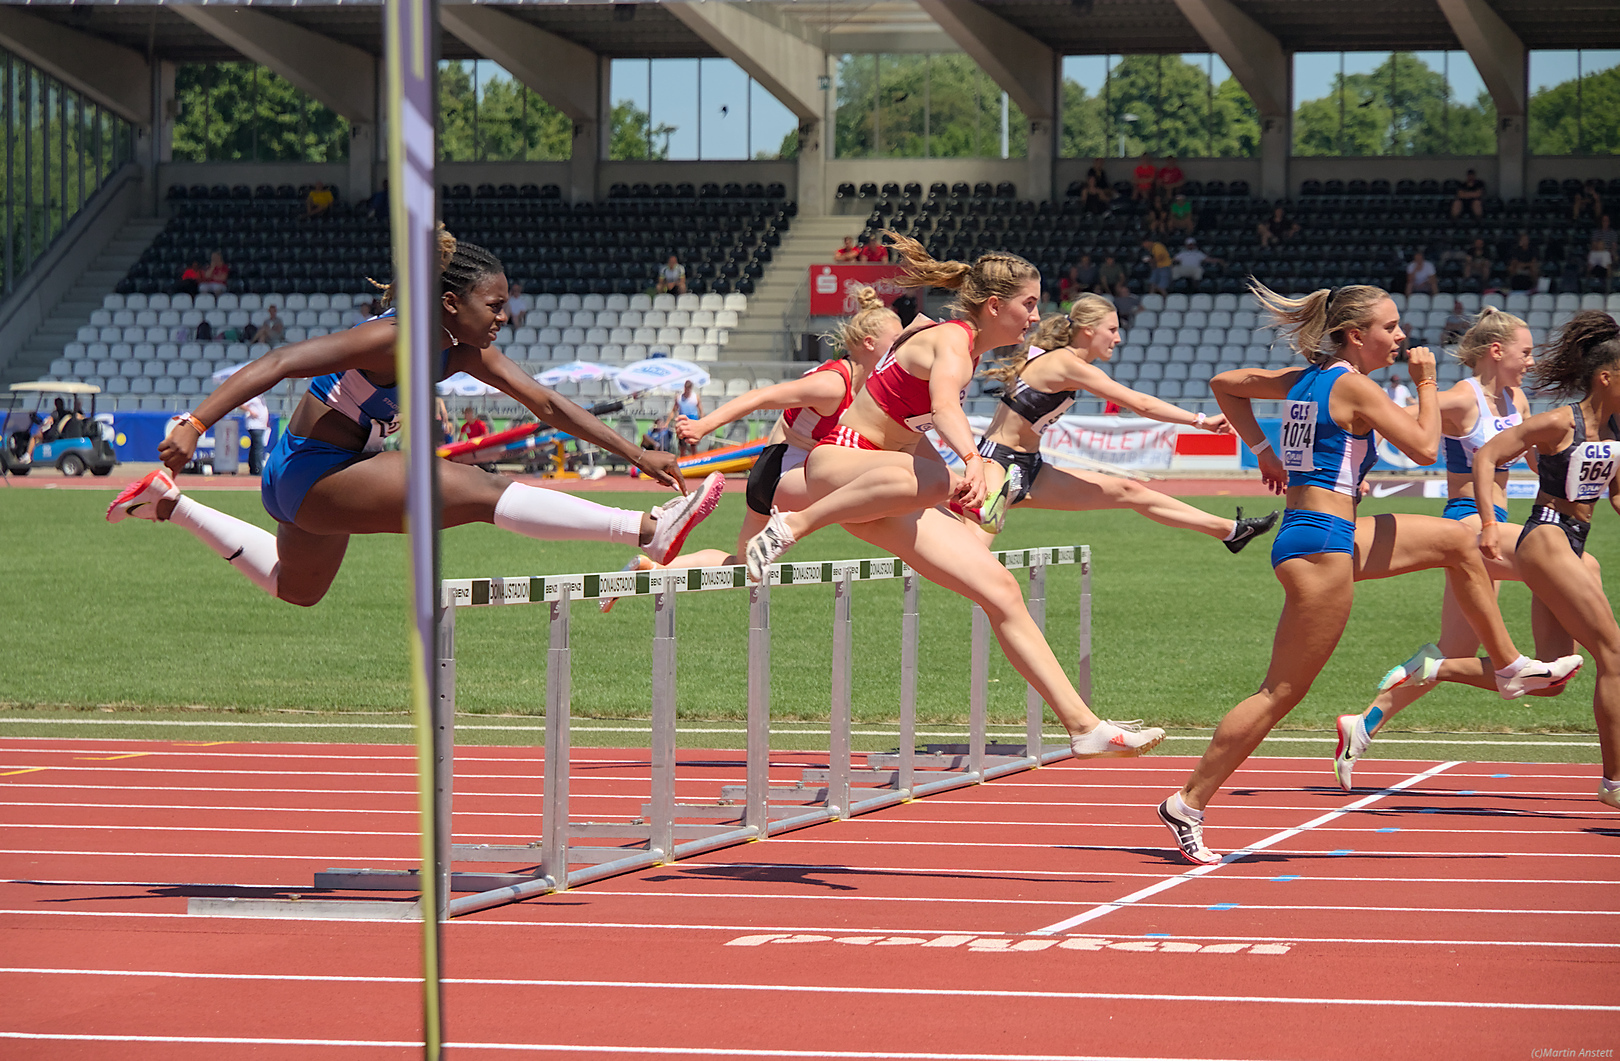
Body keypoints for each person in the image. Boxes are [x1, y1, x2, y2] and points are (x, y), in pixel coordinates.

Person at [1156, 282, 1582, 865]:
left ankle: (1508, 667)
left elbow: (1225, 386)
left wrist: (1263, 450)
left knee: (1459, 543)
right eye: (1391, 326)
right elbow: (1426, 447)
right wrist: (1427, 382)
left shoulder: (1304, 379)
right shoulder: (1352, 386)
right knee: (1280, 692)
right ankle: (1189, 802)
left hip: (1324, 531)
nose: (1402, 336)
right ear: (1357, 336)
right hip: (1323, 546)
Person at [106, 226, 725, 608]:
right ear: (451, 301)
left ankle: (171, 505)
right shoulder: (393, 340)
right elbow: (281, 360)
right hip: (312, 472)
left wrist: (640, 456)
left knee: (297, 589)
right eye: (495, 304)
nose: (504, 316)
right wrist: (194, 423)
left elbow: (549, 405)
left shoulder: (460, 350)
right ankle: (646, 530)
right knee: (479, 489)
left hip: (325, 476)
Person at [742, 232, 1167, 761]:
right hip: (839, 465)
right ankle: (796, 525)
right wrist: (972, 461)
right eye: (1028, 304)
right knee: (942, 476)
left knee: (1001, 590)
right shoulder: (952, 342)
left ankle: (1084, 726)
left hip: (884, 488)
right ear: (995, 306)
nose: (1036, 318)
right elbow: (943, 407)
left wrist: (951, 491)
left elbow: (911, 429)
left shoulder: (958, 345)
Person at [1333, 307, 1597, 790]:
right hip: (1470, 526)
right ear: (1497, 352)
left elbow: (1540, 462)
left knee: (1515, 668)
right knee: (1579, 564)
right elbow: (1379, 420)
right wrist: (1353, 478)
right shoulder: (1460, 398)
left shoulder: (1516, 397)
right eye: (1526, 352)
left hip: (1498, 526)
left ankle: (1364, 722)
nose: (1532, 362)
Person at [972, 297, 1276, 554]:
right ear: (1089, 330)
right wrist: (1200, 421)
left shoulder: (1068, 363)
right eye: (1112, 330)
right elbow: (1140, 404)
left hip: (1030, 468)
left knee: (1130, 490)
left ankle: (1231, 532)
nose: (1118, 339)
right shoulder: (1067, 364)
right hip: (997, 462)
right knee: (971, 556)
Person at [647, 287, 903, 585]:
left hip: (778, 476)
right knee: (873, 487)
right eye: (897, 342)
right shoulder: (833, 384)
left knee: (742, 566)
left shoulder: (870, 386)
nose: (903, 350)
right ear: (870, 343)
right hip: (783, 469)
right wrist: (704, 425)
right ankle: (792, 524)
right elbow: (761, 396)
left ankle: (655, 570)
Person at [1472, 311, 1620, 810]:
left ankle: (1433, 668)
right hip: (1546, 536)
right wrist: (1491, 524)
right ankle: (1615, 783)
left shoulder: (1616, 430)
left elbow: (1617, 497)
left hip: (1575, 542)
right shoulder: (1561, 421)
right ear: (1606, 377)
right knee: (1614, 655)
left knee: (1555, 676)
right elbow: (1487, 454)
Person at [671, 381, 704, 457]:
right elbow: (674, 410)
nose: (687, 390)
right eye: (686, 388)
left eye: (688, 389)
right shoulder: (679, 398)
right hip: (683, 423)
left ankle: (694, 459)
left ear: (691, 388)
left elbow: (700, 410)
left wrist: (701, 421)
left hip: (693, 422)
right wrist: (673, 420)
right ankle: (683, 460)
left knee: (693, 445)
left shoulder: (695, 397)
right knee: (682, 446)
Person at [239, 394, 270, 476]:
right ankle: (258, 469)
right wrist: (251, 411)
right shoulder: (253, 397)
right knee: (259, 447)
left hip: (261, 425)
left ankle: (253, 467)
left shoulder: (261, 398)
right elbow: (241, 405)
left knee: (255, 447)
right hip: (255, 425)